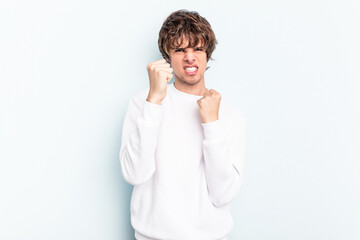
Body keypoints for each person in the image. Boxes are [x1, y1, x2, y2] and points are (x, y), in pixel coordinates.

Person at [119, 9, 247, 240]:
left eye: (197, 48)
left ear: (207, 54)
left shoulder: (229, 114)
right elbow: (134, 173)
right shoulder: (143, 103)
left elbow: (223, 194)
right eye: (180, 50)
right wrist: (154, 101)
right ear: (167, 56)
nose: (190, 57)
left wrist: (211, 124)